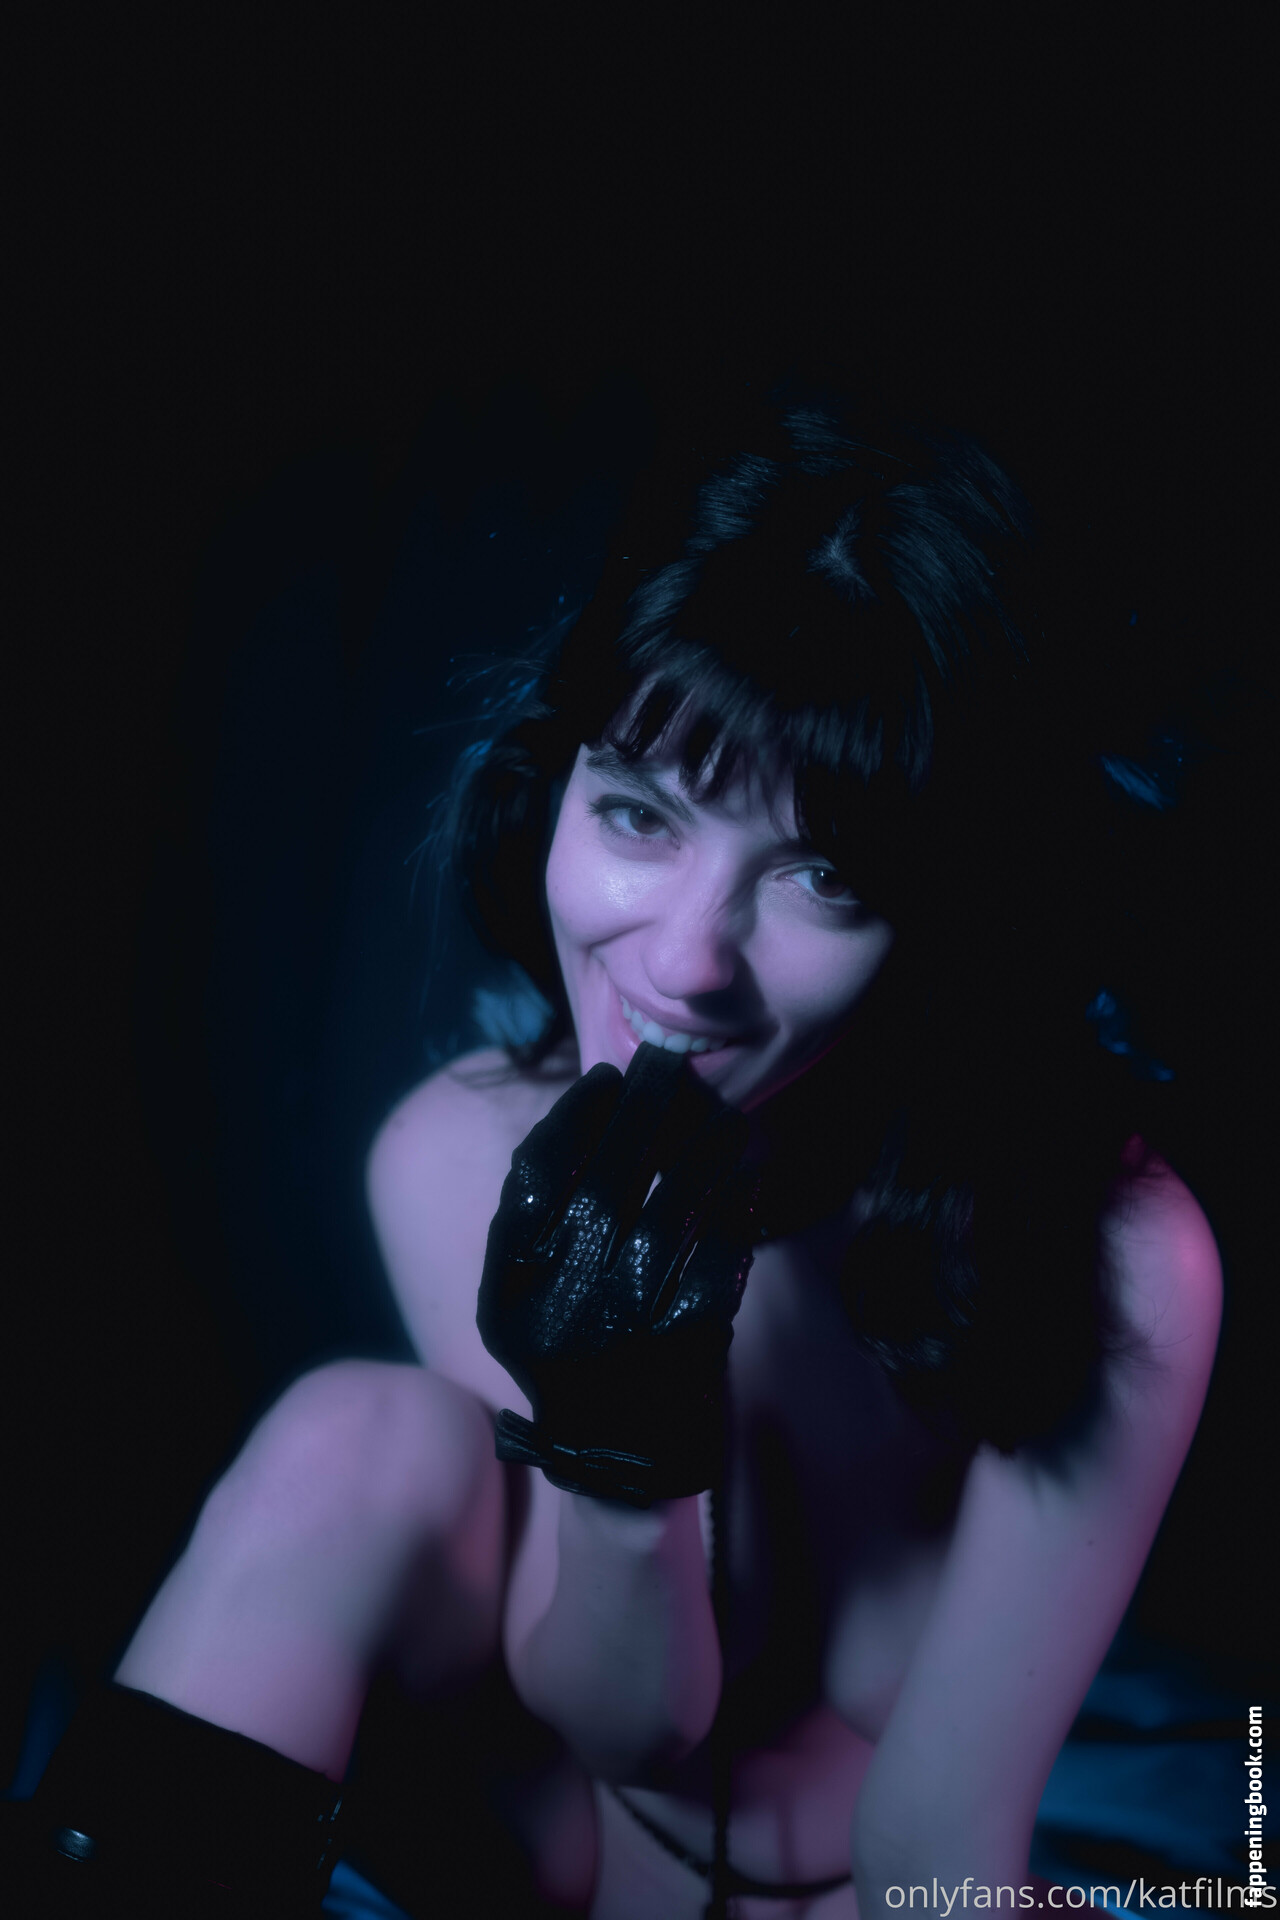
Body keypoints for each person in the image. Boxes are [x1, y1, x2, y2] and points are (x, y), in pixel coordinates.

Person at [22, 389, 1223, 1918]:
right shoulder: (455, 1156)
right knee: (352, 1433)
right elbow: (630, 1729)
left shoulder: (1109, 1258)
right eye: (641, 816)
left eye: (825, 878)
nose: (684, 964)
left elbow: (938, 1849)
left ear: (946, 918)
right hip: (562, 1852)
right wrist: (617, 1454)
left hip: (884, 1898)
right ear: (560, 789)